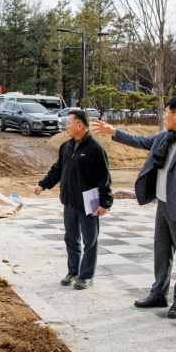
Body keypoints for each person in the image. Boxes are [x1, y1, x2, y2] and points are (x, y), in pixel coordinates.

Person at [91, 96, 176, 318]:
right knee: (162, 253)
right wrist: (113, 131)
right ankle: (158, 294)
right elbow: (141, 142)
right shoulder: (166, 137)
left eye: (166, 112)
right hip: (163, 204)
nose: (163, 116)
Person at [34, 109, 113, 290]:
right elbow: (57, 169)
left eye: (68, 123)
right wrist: (43, 184)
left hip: (89, 202)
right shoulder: (66, 146)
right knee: (71, 239)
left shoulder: (95, 149)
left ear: (80, 125)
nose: (65, 126)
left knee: (90, 241)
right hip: (69, 201)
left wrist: (104, 203)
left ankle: (86, 275)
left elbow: (104, 179)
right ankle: (73, 272)